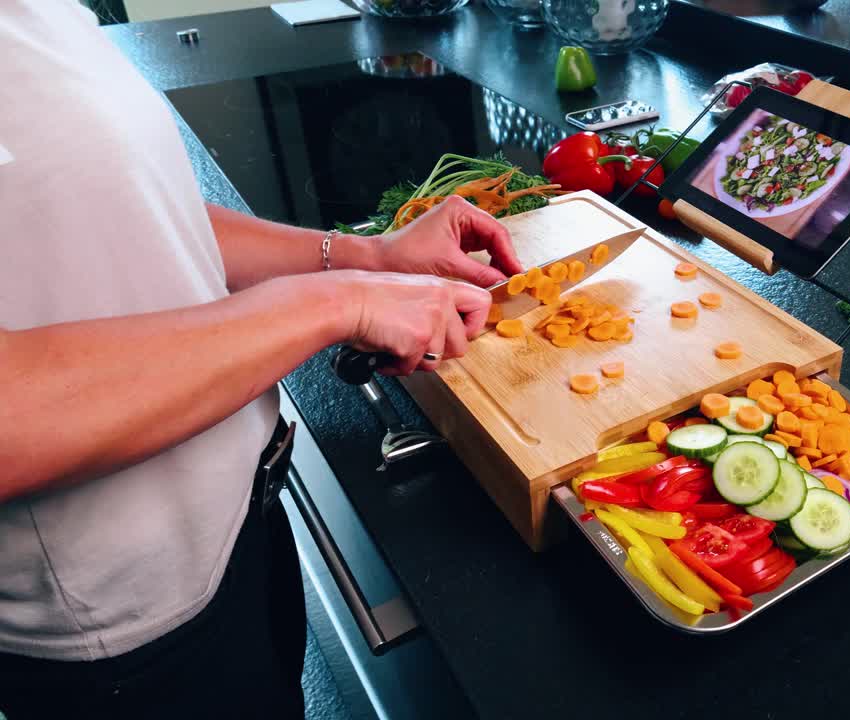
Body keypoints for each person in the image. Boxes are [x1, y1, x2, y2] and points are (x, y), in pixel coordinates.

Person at [0, 2, 520, 717]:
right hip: (125, 630)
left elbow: (137, 207)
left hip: (235, 519)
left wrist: (366, 256)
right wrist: (337, 302)